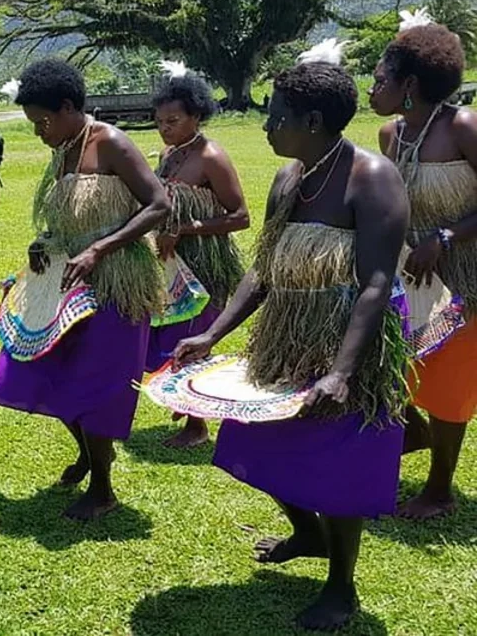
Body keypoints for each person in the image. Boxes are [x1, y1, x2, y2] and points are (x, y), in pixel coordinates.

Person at [173, 55, 411, 631]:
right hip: (289, 336)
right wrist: (211, 332)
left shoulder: (373, 178)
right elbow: (264, 269)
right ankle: (308, 532)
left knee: (340, 459)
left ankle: (342, 586)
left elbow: (377, 282)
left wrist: (342, 371)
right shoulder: (288, 178)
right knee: (254, 441)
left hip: (355, 337)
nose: (265, 125)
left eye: (274, 115)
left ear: (310, 119)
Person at [0, 59, 170, 520]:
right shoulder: (63, 149)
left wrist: (101, 249)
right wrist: (44, 243)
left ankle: (103, 489)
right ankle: (89, 456)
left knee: (96, 384)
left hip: (116, 282)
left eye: (43, 121)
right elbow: (65, 217)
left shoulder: (110, 143)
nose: (40, 132)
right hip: (69, 282)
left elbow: (159, 203)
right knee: (55, 372)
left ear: (68, 107)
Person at [370, 20, 477, 519]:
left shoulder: (462, 127)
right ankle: (410, 430)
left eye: (380, 78)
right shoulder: (390, 133)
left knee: (452, 375)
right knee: (396, 360)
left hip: (464, 275)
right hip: (409, 272)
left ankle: (439, 490)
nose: (373, 87)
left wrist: (447, 237)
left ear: (408, 84)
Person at [148, 70, 250, 448]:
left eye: (173, 121)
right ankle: (188, 413)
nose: (165, 129)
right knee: (168, 338)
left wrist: (186, 229)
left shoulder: (212, 156)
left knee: (191, 340)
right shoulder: (168, 154)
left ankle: (197, 426)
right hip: (172, 266)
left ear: (196, 116)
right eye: (159, 122)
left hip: (204, 267)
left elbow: (241, 216)